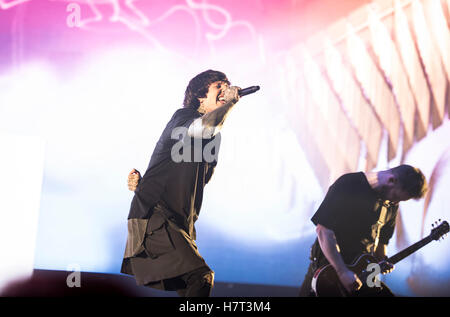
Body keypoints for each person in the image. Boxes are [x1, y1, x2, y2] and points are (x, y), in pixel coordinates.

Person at [120, 70, 241, 297]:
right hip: (155, 216)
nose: (225, 91)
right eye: (219, 86)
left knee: (190, 289)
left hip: (180, 223)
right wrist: (231, 104)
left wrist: (144, 183)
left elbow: (187, 173)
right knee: (200, 276)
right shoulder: (183, 117)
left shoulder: (213, 135)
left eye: (228, 86)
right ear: (200, 96)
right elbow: (198, 130)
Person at [298, 164, 427, 297]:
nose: (394, 202)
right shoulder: (349, 184)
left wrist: (382, 261)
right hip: (329, 272)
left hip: (364, 275)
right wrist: (342, 272)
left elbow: (382, 243)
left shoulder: (391, 203)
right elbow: (323, 231)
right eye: (395, 197)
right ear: (391, 180)